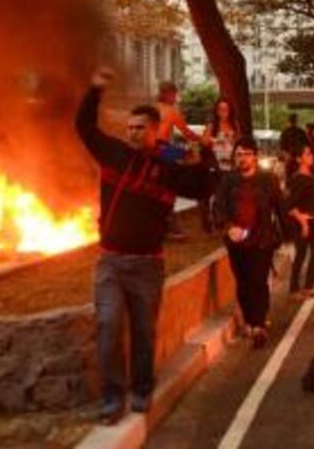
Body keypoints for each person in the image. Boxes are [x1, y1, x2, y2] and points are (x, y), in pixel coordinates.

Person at [75, 68, 212, 424]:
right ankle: (111, 397)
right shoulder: (114, 154)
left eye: (140, 128)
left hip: (147, 266)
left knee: (143, 332)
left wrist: (205, 154)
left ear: (155, 131)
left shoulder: (169, 169)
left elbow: (202, 187)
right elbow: (85, 128)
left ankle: (142, 388)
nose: (133, 132)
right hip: (110, 263)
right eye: (130, 127)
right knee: (107, 326)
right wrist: (95, 89)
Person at [214, 137, 286, 348]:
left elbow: (279, 207)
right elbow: (218, 207)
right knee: (244, 282)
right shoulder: (228, 181)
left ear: (255, 156)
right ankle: (248, 320)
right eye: (238, 154)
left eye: (246, 154)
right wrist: (229, 227)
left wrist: (289, 235)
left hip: (262, 239)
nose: (242, 158)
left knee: (258, 280)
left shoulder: (268, 180)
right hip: (236, 242)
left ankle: (259, 325)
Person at [155, 81, 206, 238]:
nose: (175, 97)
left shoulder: (152, 107)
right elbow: (187, 132)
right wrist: (203, 139)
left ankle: (165, 225)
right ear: (169, 94)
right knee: (170, 186)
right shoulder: (171, 111)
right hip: (162, 150)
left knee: (159, 189)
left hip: (151, 151)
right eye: (174, 94)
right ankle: (172, 226)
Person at [286, 144, 314, 299]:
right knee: (301, 253)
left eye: (311, 153)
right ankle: (293, 290)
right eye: (307, 154)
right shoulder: (297, 179)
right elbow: (289, 205)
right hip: (300, 222)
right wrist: (303, 222)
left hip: (312, 220)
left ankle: (309, 287)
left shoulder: (311, 175)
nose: (311, 156)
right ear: (298, 159)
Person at [198, 98, 241, 232]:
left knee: (231, 194)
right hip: (216, 165)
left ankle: (228, 220)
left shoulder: (235, 124)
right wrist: (213, 140)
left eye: (226, 109)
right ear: (216, 111)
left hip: (231, 165)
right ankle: (216, 221)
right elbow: (204, 142)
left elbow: (239, 143)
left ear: (230, 111)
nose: (223, 112)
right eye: (220, 109)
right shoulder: (212, 125)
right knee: (218, 194)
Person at [280, 113, 308, 178]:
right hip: (299, 158)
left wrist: (286, 156)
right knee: (300, 175)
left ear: (288, 121)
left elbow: (282, 146)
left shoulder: (285, 132)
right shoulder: (301, 132)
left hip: (290, 157)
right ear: (296, 121)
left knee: (289, 175)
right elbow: (306, 145)